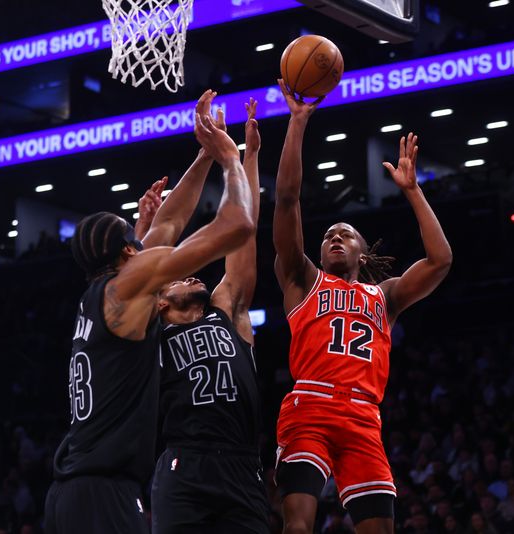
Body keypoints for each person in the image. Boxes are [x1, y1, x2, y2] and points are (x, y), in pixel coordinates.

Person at [44, 93, 255, 534]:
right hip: (104, 493)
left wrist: (203, 154)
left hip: (73, 491)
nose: (145, 239)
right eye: (134, 239)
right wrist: (231, 161)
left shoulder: (106, 293)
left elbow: (171, 223)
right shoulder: (129, 285)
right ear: (128, 251)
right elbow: (237, 224)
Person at [272, 78, 452, 534]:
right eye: (328, 233)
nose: (334, 236)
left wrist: (412, 191)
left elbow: (440, 260)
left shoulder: (385, 296)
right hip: (310, 405)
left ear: (362, 252)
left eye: (345, 233)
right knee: (298, 526)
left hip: (363, 419)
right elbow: (288, 199)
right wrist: (297, 123)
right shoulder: (302, 278)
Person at [149, 98, 271, 533]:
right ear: (160, 302)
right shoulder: (151, 333)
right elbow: (149, 263)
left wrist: (248, 159)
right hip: (185, 462)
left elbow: (244, 231)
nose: (192, 276)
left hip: (242, 462)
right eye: (178, 281)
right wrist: (147, 230)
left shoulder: (228, 312)